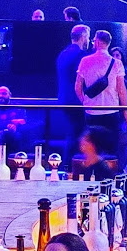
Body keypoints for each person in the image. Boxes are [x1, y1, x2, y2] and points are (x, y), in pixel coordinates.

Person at [75, 30, 127, 159]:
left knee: (93, 149)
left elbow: (77, 87)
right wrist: (125, 111)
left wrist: (85, 102)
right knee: (112, 149)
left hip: (91, 111)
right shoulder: (116, 63)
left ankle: (93, 171)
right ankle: (111, 170)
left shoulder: (85, 61)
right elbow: (121, 89)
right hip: (111, 111)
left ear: (98, 42)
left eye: (94, 40)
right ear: (108, 43)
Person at [57, 24, 91, 160]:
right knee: (77, 135)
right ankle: (72, 165)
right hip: (76, 100)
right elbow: (82, 79)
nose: (89, 40)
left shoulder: (63, 53)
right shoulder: (81, 55)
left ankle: (69, 165)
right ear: (83, 36)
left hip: (64, 99)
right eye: (88, 37)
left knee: (73, 133)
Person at [0, 86, 26, 150]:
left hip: (14, 135)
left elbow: (23, 122)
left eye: (4, 93)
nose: (1, 96)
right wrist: (9, 124)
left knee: (16, 136)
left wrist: (15, 126)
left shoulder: (18, 108)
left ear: (10, 95)